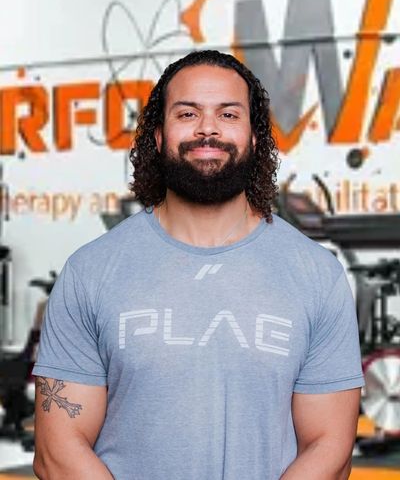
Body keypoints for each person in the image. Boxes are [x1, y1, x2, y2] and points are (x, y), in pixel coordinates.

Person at [32, 50, 364, 480]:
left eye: (228, 114)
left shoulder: (317, 275)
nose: (208, 127)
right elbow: (59, 452)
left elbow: (329, 447)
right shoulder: (90, 272)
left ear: (255, 137)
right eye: (188, 113)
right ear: (158, 136)